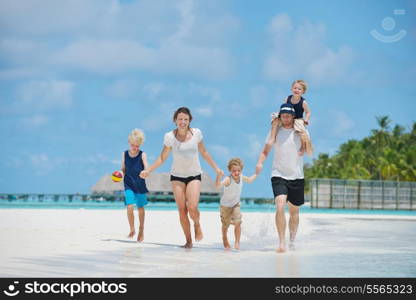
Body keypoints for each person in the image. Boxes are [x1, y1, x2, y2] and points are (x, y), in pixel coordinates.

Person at [140, 107, 223, 249]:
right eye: (180, 119)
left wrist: (216, 169)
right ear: (175, 120)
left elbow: (204, 152)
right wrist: (149, 170)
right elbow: (162, 157)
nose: (183, 122)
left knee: (192, 207)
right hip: (177, 176)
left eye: (185, 119)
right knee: (182, 209)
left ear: (190, 120)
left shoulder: (196, 133)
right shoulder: (169, 137)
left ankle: (197, 224)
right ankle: (188, 241)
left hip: (194, 175)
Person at [256, 103, 305, 253]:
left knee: (294, 212)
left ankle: (292, 241)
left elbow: (308, 148)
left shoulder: (300, 131)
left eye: (288, 116)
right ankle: (282, 242)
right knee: (280, 205)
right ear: (280, 116)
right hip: (278, 174)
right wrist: (260, 163)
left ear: (293, 116)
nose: (285, 118)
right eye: (283, 116)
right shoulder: (275, 132)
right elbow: (266, 150)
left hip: (297, 176)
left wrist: (304, 146)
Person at [216, 158, 257, 250]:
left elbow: (250, 180)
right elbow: (218, 186)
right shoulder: (228, 179)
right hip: (225, 206)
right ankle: (224, 238)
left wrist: (256, 173)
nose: (237, 172)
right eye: (234, 171)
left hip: (236, 205)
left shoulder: (241, 177)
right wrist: (218, 176)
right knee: (225, 225)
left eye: (239, 170)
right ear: (230, 170)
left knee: (238, 222)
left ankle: (237, 242)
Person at [269, 80, 313, 156]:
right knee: (275, 121)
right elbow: (282, 108)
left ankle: (302, 147)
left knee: (301, 131)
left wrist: (306, 120)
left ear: (303, 91)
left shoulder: (303, 102)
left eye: (299, 89)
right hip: (287, 116)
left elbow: (308, 112)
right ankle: (273, 138)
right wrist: (278, 115)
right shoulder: (287, 99)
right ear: (292, 89)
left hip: (297, 118)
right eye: (295, 88)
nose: (296, 90)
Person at [121, 128, 149, 242]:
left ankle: (141, 229)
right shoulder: (124, 154)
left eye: (137, 146)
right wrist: (119, 174)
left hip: (140, 185)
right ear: (129, 142)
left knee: (140, 208)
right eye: (133, 145)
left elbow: (147, 167)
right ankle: (132, 228)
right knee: (129, 206)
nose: (135, 148)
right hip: (128, 184)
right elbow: (123, 169)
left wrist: (145, 172)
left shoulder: (142, 155)